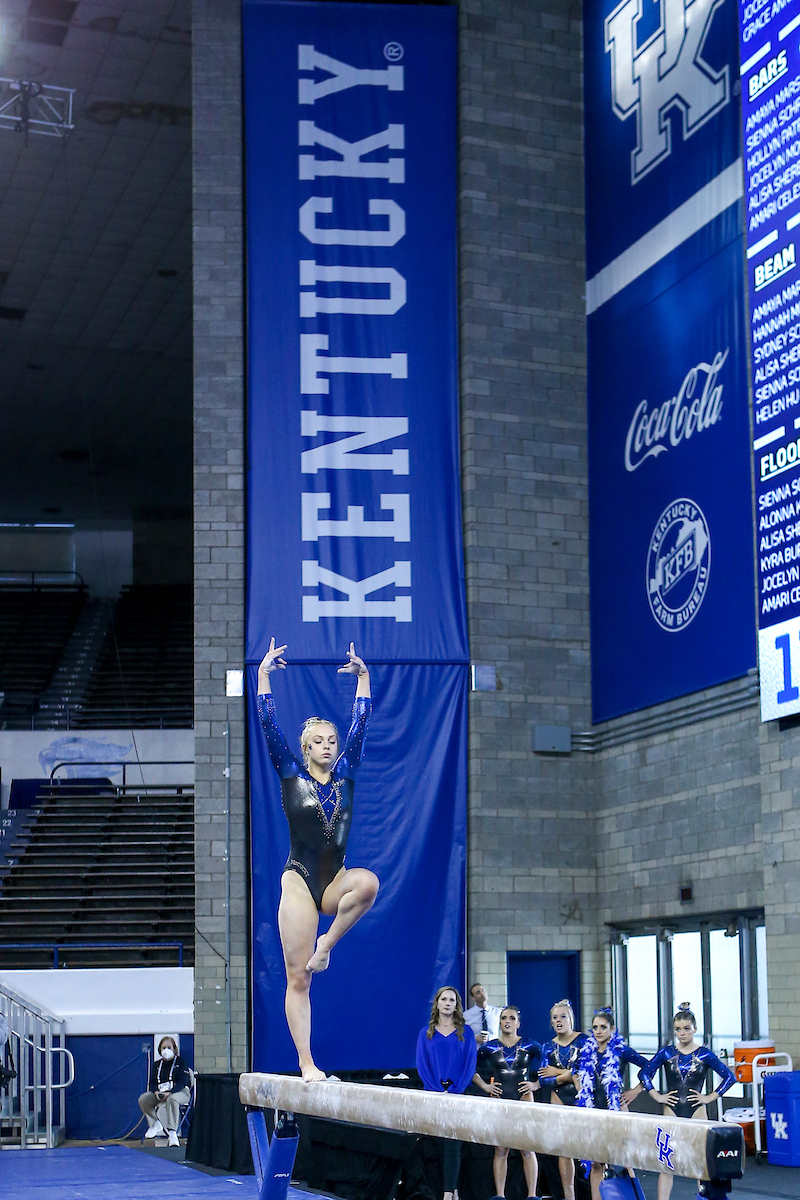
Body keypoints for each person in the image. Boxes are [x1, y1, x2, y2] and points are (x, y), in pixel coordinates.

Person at [258, 637, 379, 1083]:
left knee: (368, 884)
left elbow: (360, 726)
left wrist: (363, 679)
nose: (329, 746)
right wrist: (265, 675)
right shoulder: (289, 772)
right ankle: (307, 1063)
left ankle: (326, 946)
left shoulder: (347, 773)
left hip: (335, 880)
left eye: (332, 740)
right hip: (300, 881)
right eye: (320, 742)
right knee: (298, 979)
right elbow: (269, 724)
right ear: (305, 748)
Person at [637, 1002, 736, 1200]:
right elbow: (645, 1073)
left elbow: (730, 1077)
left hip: (697, 1110)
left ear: (695, 1029)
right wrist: (656, 1095)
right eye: (678, 1029)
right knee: (666, 1164)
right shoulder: (666, 1053)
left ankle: (704, 1197)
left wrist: (710, 1097)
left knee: (700, 1162)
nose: (682, 1033)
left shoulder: (705, 1054)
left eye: (686, 1029)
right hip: (671, 1110)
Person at [575, 1007, 650, 1200]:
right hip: (594, 1112)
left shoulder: (620, 1050)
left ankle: (635, 1196)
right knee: (597, 1163)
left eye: (603, 1027)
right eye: (595, 1028)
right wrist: (582, 1091)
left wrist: (636, 1091)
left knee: (625, 1160)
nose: (598, 1031)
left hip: (615, 1109)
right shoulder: (587, 1050)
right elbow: (575, 1071)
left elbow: (649, 1066)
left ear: (612, 1029)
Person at [473, 1006, 541, 1199]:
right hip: (500, 1099)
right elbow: (470, 1069)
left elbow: (550, 1064)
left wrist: (536, 1084)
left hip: (523, 1098)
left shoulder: (530, 1045)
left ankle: (532, 1195)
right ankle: (500, 1195)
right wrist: (486, 1087)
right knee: (501, 1150)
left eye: (512, 1018)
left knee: (527, 1149)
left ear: (518, 1023)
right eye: (504, 1018)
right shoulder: (490, 1047)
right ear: (500, 1022)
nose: (507, 1021)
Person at [416, 986, 478, 1200]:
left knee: (453, 1143)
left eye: (452, 1000)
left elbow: (470, 1064)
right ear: (438, 1003)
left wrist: (455, 1090)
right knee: (435, 1145)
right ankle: (448, 1190)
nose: (448, 1003)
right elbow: (422, 1064)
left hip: (457, 1094)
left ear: (456, 1005)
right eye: (444, 999)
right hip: (433, 1094)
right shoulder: (426, 1033)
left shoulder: (466, 1032)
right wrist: (436, 1090)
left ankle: (448, 1193)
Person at [537, 999, 587, 1200]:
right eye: (555, 1018)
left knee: (587, 1151)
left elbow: (585, 1072)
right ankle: (569, 1195)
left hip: (581, 1101)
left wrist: (558, 1073)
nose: (558, 1021)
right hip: (558, 1101)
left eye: (563, 1016)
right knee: (564, 1152)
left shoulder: (584, 1041)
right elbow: (543, 1080)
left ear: (571, 1019)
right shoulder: (547, 1047)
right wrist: (569, 1075)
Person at [138, 1036, 192, 1147]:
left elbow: (183, 1081)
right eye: (163, 1048)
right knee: (143, 1099)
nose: (166, 1050)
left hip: (179, 1093)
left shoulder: (181, 1062)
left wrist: (171, 1092)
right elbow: (152, 1083)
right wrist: (155, 1092)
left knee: (172, 1099)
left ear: (174, 1049)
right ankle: (155, 1123)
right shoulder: (157, 1065)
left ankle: (172, 1133)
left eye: (169, 1047)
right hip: (161, 1093)